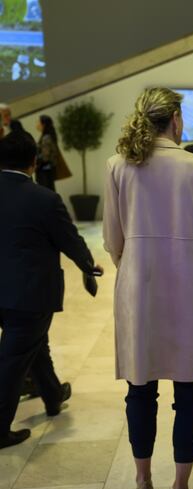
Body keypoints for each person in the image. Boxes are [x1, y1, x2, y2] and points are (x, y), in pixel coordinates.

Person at [103, 88, 193, 489]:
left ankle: (142, 482)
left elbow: (112, 241)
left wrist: (135, 264)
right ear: (176, 118)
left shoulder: (118, 166)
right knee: (190, 392)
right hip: (188, 288)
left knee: (140, 389)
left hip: (140, 290)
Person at [0, 131, 100, 449]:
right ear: (33, 162)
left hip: (8, 293)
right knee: (14, 358)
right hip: (29, 293)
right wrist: (87, 264)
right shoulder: (44, 199)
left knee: (32, 344)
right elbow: (68, 238)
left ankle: (53, 396)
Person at [35, 114, 59, 191]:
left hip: (44, 171)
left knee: (46, 192)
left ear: (43, 124)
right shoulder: (48, 136)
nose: (37, 125)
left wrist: (35, 160)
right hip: (48, 170)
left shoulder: (46, 138)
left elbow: (45, 156)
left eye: (38, 122)